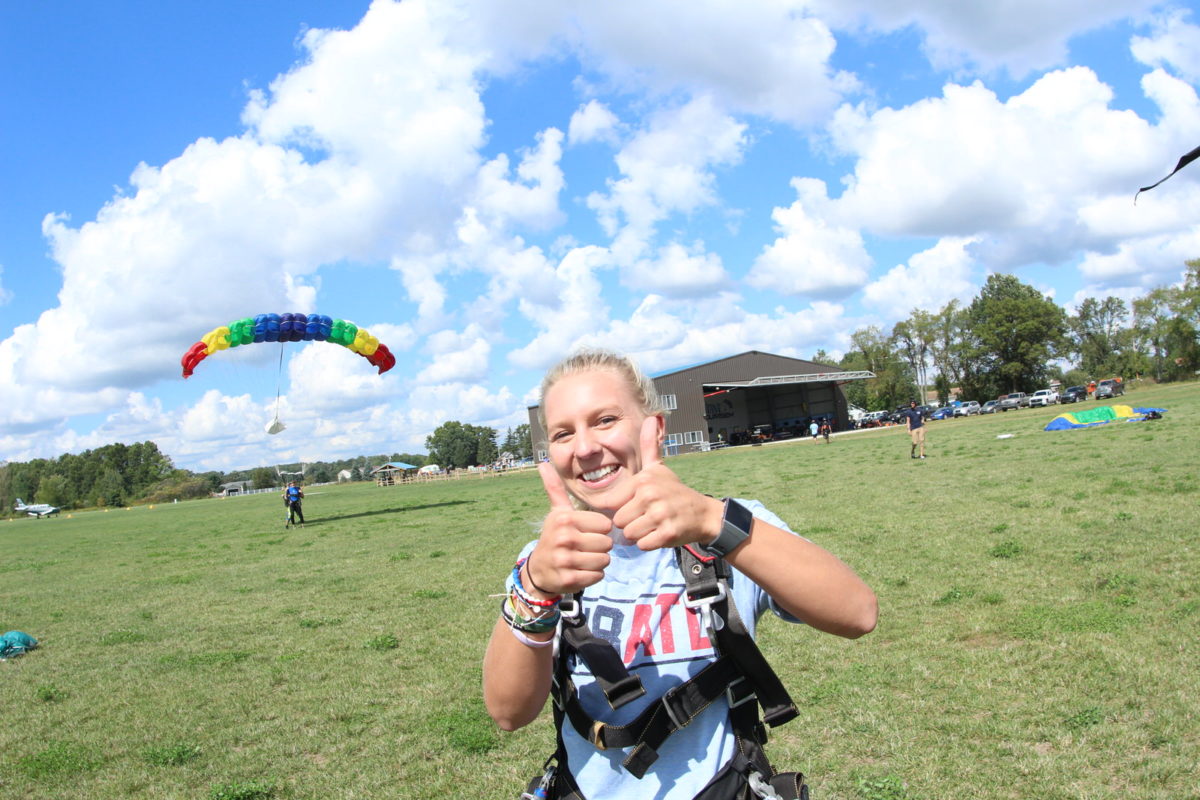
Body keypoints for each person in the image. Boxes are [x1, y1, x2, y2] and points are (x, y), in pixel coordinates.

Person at [483, 349, 877, 800]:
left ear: (655, 428)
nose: (586, 447)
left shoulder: (728, 530)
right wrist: (534, 587)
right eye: (563, 433)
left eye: (606, 419)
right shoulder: (547, 561)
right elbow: (508, 713)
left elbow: (858, 613)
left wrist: (714, 522)